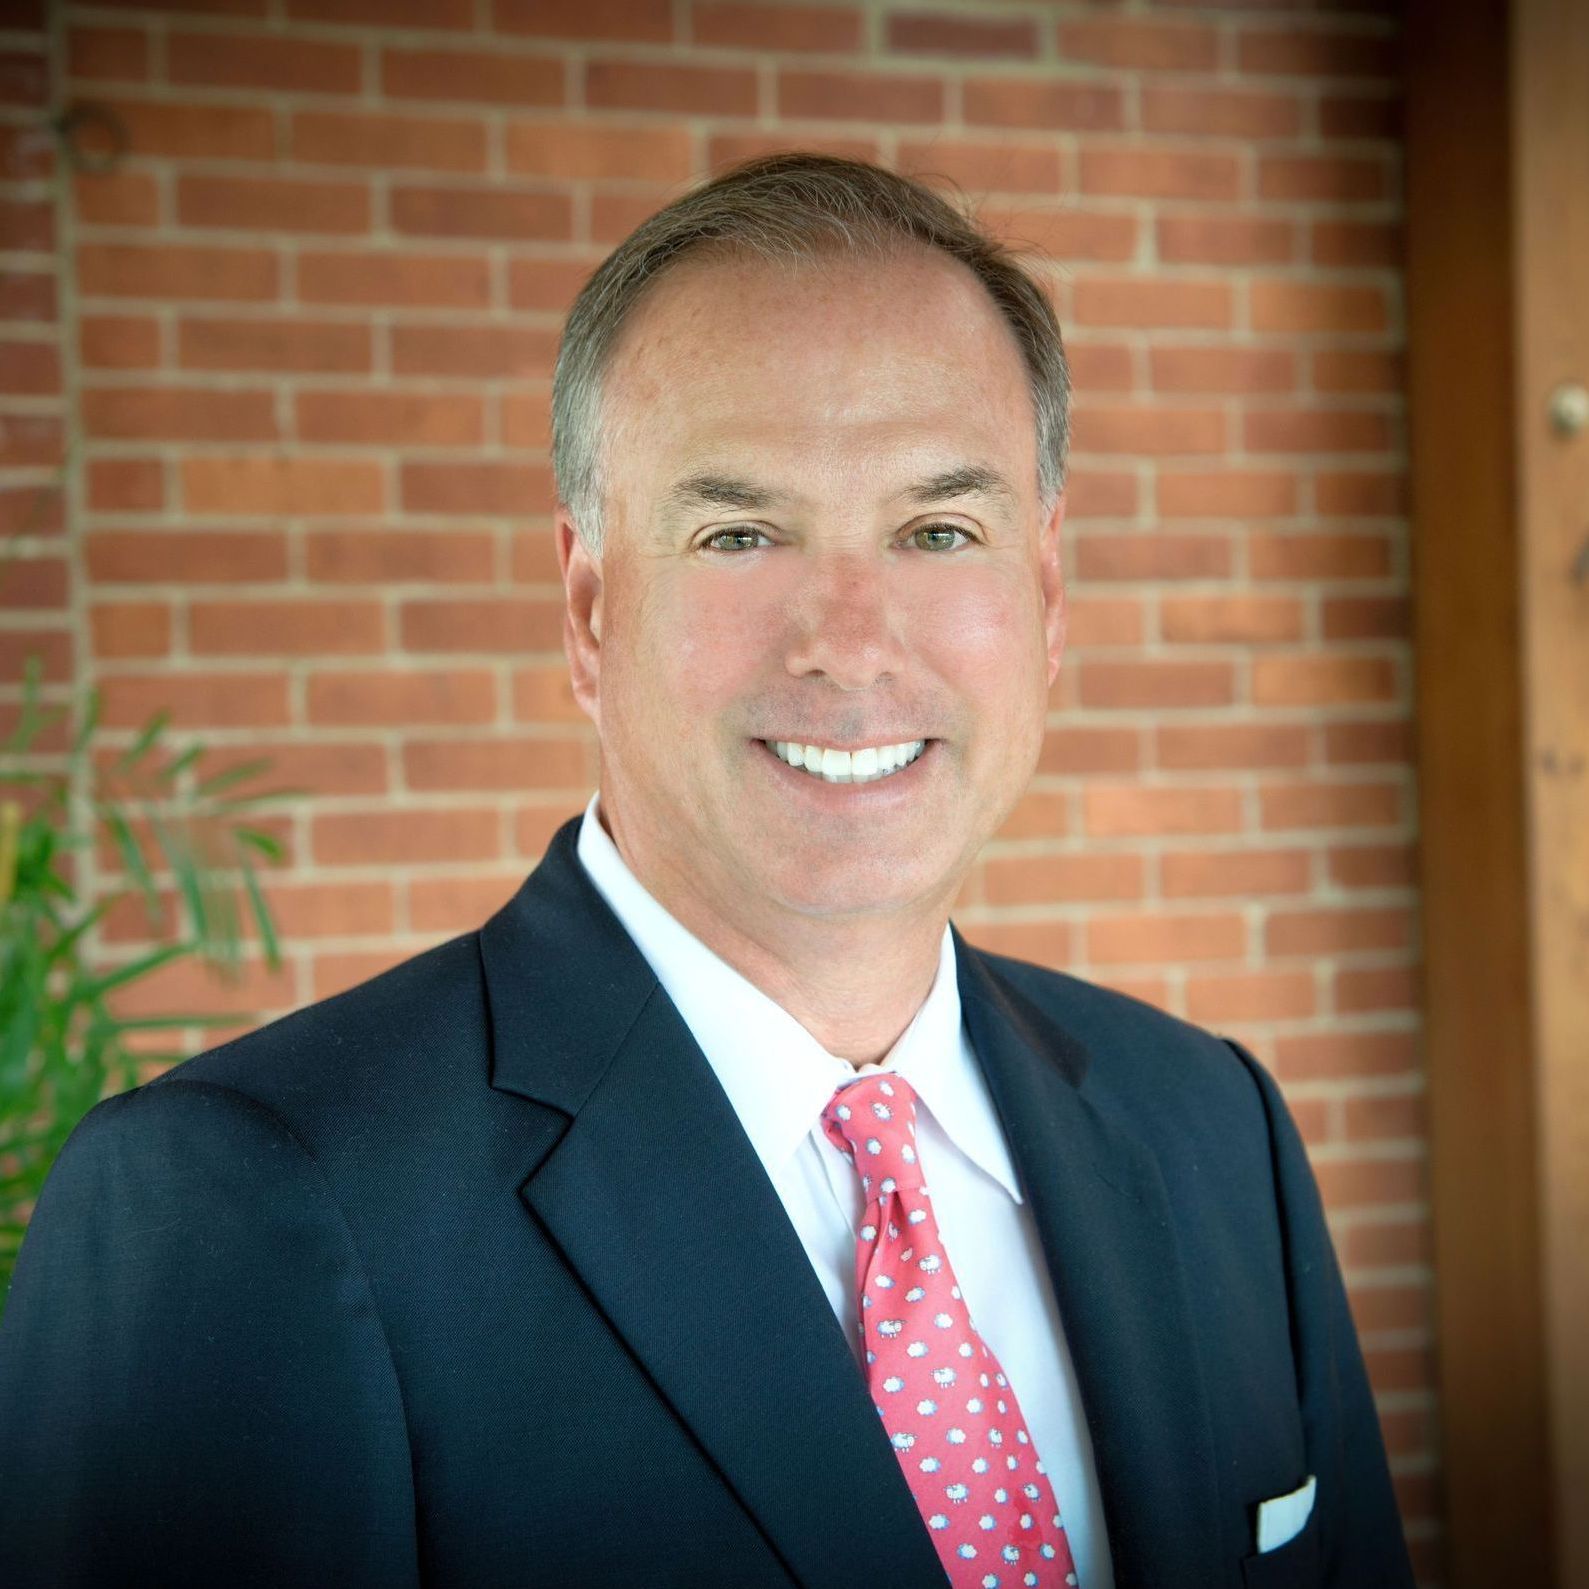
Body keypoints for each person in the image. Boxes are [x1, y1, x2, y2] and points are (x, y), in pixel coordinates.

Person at [0, 153, 1413, 1589]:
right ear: (590, 608)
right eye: (740, 533)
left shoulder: (1212, 1128)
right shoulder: (244, 1207)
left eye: (938, 530)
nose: (849, 644)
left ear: (1045, 597)